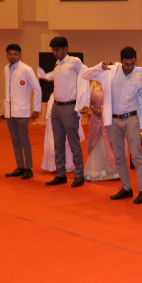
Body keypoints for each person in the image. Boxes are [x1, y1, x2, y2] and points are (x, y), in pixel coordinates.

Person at [83, 47, 142, 204]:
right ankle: (126, 188)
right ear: (121, 60)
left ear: (136, 61)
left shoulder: (139, 76)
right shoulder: (110, 72)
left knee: (136, 156)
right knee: (119, 156)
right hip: (113, 120)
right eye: (126, 64)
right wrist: (100, 66)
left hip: (131, 119)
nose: (129, 67)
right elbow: (86, 75)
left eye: (132, 64)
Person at [38, 37, 90, 187]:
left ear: (65, 49)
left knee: (74, 143)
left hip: (69, 107)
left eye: (57, 50)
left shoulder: (75, 62)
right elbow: (52, 77)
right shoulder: (58, 65)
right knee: (58, 143)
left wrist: (84, 103)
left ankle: (79, 175)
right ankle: (61, 174)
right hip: (56, 107)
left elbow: (86, 76)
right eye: (53, 50)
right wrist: (43, 75)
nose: (55, 53)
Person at [3, 44, 42, 180]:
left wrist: (36, 109)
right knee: (15, 140)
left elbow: (37, 89)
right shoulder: (6, 69)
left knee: (25, 140)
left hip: (23, 111)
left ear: (20, 55)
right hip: (10, 111)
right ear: (7, 55)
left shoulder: (26, 69)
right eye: (10, 54)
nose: (13, 56)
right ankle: (20, 166)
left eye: (15, 54)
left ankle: (28, 168)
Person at [84, 83, 119, 181]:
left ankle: (113, 171)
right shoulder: (94, 82)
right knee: (97, 143)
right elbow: (87, 98)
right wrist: (93, 108)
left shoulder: (113, 80)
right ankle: (97, 170)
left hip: (110, 118)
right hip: (96, 117)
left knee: (109, 142)